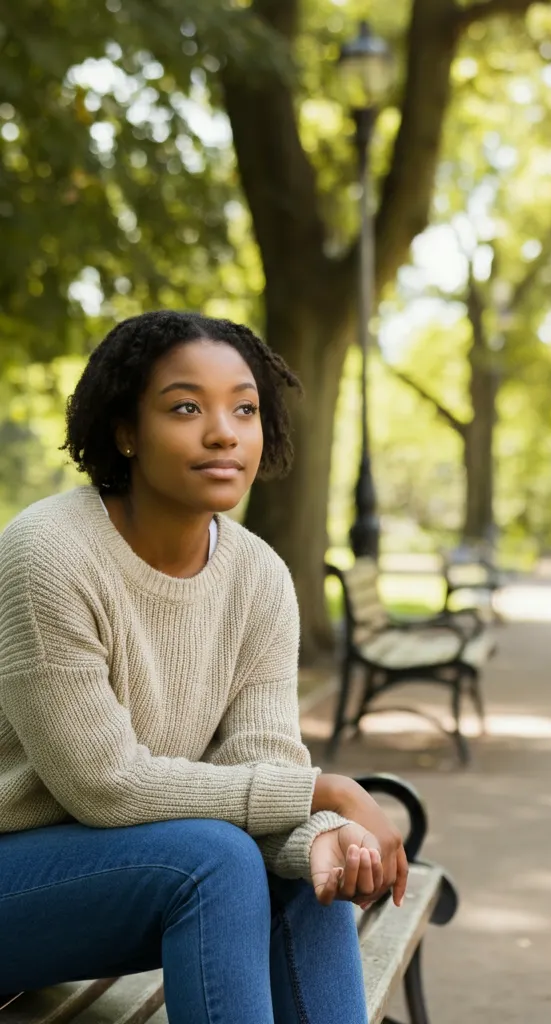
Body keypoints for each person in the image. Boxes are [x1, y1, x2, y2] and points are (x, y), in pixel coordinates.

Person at [0, 311, 409, 1024]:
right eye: (186, 407)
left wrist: (326, 840)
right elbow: (105, 783)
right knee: (216, 857)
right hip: (21, 877)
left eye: (244, 409)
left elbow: (261, 763)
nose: (223, 431)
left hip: (130, 877)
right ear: (126, 430)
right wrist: (329, 791)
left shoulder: (259, 576)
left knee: (303, 875)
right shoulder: (49, 555)